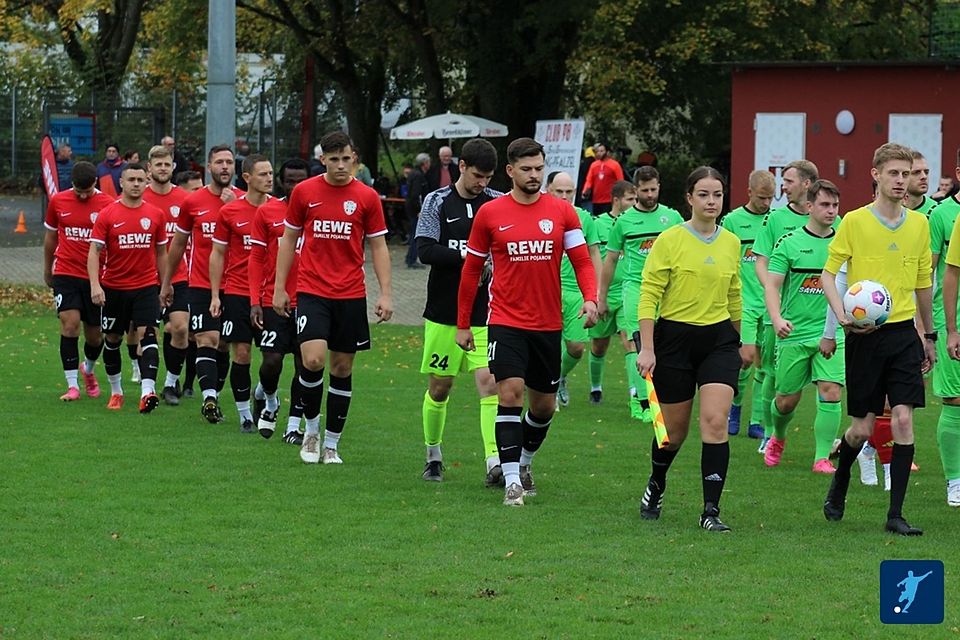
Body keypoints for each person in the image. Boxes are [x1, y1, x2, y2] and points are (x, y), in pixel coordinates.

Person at [455, 137, 598, 507]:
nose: (534, 175)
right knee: (509, 393)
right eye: (527, 169)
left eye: (539, 169)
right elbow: (471, 271)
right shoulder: (491, 214)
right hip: (505, 321)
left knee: (543, 407)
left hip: (548, 324)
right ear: (510, 171)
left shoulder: (562, 212)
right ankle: (512, 482)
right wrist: (462, 324)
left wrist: (591, 298)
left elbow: (582, 260)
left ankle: (525, 462)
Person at [821, 142, 935, 536]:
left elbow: (924, 284)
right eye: (895, 174)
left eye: (907, 174)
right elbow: (828, 273)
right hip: (865, 336)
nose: (902, 181)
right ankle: (841, 477)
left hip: (904, 333)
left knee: (903, 418)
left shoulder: (919, 225)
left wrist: (928, 334)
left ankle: (895, 514)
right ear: (876, 175)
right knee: (862, 429)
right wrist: (840, 317)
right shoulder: (854, 221)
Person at [274, 130, 394, 465]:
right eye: (334, 159)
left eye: (346, 159)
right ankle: (311, 432)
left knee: (341, 368)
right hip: (312, 291)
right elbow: (288, 240)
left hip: (351, 294)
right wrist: (279, 287)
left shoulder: (367, 197)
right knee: (312, 360)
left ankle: (331, 444)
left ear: (354, 158)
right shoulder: (305, 192)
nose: (341, 166)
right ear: (323, 159)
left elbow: (379, 246)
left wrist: (386, 293)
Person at [636, 166, 742, 532]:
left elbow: (735, 295)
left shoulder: (731, 241)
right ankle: (657, 482)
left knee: (714, 423)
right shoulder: (670, 239)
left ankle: (710, 511)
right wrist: (647, 348)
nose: (712, 202)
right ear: (689, 198)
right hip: (675, 341)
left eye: (717, 195)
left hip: (719, 341)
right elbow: (649, 295)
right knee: (672, 435)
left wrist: (740, 340)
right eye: (704, 195)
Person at [414, 138, 503, 483]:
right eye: (478, 175)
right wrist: (470, 257)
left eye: (488, 177)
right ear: (461, 167)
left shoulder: (496, 203)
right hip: (443, 312)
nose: (483, 183)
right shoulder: (437, 202)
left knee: (489, 383)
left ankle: (493, 461)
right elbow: (424, 250)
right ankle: (433, 454)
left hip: (485, 311)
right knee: (440, 387)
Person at [762, 179, 845, 473]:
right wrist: (776, 319)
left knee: (831, 390)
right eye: (824, 204)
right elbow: (772, 286)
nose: (831, 211)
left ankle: (821, 457)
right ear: (809, 206)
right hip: (793, 333)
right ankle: (778, 436)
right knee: (785, 401)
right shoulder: (790, 243)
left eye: (835, 205)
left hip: (832, 333)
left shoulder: (844, 242)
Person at [160, 144, 243, 424]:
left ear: (235, 167)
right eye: (219, 162)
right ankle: (209, 398)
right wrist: (168, 281)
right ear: (209, 167)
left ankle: (214, 393)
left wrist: (234, 210)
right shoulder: (193, 202)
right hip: (201, 284)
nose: (224, 167)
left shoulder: (245, 201)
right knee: (207, 339)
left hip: (237, 286)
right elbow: (178, 244)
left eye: (229, 162)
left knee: (225, 346)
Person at [598, 166, 683, 420]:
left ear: (659, 187)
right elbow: (610, 261)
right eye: (644, 190)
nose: (649, 195)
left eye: (653, 189)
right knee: (636, 343)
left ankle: (662, 397)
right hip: (636, 288)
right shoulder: (623, 222)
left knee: (664, 345)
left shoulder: (672, 217)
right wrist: (601, 297)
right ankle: (642, 401)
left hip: (667, 290)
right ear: (636, 190)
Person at [87, 162, 168, 413]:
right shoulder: (108, 214)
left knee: (149, 336)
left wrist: (165, 285)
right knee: (112, 339)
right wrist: (95, 285)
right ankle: (116, 391)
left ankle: (147, 392)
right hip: (114, 288)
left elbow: (162, 253)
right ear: (121, 182)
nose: (135, 184)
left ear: (147, 182)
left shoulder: (156, 215)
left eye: (140, 180)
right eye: (130, 179)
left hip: (145, 287)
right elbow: (94, 252)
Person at [752, 159, 819, 454]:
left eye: (788, 181)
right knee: (771, 373)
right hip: (779, 315)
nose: (783, 186)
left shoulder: (831, 218)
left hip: (817, 317)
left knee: (829, 386)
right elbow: (761, 261)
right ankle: (769, 433)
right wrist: (773, 294)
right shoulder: (775, 219)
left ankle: (822, 448)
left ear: (806, 184)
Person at [249, 158, 310, 444]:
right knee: (272, 361)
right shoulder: (267, 211)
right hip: (274, 298)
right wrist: (255, 300)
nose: (295, 185)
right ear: (283, 182)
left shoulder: (318, 212)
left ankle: (294, 426)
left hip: (311, 300)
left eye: (301, 180)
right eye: (290, 180)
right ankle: (269, 399)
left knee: (304, 365)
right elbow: (256, 258)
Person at [209, 154, 271, 433]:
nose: (269, 178)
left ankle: (263, 395)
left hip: (270, 294)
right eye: (262, 174)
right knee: (242, 354)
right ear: (247, 178)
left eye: (270, 173)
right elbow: (218, 253)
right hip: (237, 291)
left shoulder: (281, 209)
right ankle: (245, 415)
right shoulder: (230, 212)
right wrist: (215, 294)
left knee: (273, 357)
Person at [43, 161, 114, 400]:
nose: (82, 195)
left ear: (95, 183)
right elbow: (51, 237)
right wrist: (47, 269)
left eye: (87, 190)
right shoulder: (58, 201)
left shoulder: (107, 204)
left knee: (95, 336)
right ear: (71, 184)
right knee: (70, 324)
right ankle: (72, 386)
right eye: (78, 190)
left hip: (97, 276)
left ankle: (88, 369)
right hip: (66, 272)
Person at [721, 170, 776, 440]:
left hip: (769, 302)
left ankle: (757, 422)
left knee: (765, 365)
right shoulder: (732, 221)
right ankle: (735, 407)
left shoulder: (774, 221)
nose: (767, 203)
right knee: (744, 359)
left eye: (770, 198)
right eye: (762, 197)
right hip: (743, 302)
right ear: (749, 192)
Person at [141, 145, 190, 406]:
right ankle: (147, 383)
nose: (162, 168)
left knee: (180, 328)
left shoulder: (185, 199)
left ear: (173, 167)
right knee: (147, 333)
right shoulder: (140, 197)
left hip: (179, 275)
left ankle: (171, 382)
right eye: (157, 164)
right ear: (149, 168)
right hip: (146, 277)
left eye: (166, 164)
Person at [547, 171, 601, 409]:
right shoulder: (540, 215)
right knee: (550, 345)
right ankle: (547, 388)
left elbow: (594, 254)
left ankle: (558, 378)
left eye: (569, 192)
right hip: (546, 289)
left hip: (576, 292)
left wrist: (597, 293)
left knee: (576, 348)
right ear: (548, 190)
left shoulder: (584, 218)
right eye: (559, 191)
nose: (565, 196)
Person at [588, 180, 637, 403]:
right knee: (599, 345)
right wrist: (598, 294)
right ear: (616, 200)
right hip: (604, 294)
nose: (635, 203)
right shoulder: (597, 224)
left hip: (627, 292)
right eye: (630, 199)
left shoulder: (636, 222)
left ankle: (636, 395)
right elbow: (593, 257)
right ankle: (595, 387)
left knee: (630, 341)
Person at [933, 148, 960, 507]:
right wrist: (947, 327)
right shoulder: (943, 216)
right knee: (955, 399)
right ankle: (955, 480)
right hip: (953, 319)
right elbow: (943, 273)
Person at [580, 143, 624, 215]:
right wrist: (585, 190)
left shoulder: (615, 165)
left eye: (601, 151)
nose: (599, 153)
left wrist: (620, 196)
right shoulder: (594, 165)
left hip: (609, 200)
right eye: (597, 151)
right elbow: (589, 180)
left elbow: (620, 181)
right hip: (596, 200)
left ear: (607, 152)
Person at [404, 153, 431, 269]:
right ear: (425, 163)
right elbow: (416, 195)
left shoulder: (412, 174)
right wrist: (419, 210)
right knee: (416, 234)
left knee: (413, 233)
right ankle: (412, 259)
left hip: (409, 207)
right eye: (428, 162)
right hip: (414, 209)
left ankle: (409, 257)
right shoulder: (418, 176)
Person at [903, 150, 936, 216]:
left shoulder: (937, 211)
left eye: (926, 172)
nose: (924, 177)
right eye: (916, 172)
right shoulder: (890, 211)